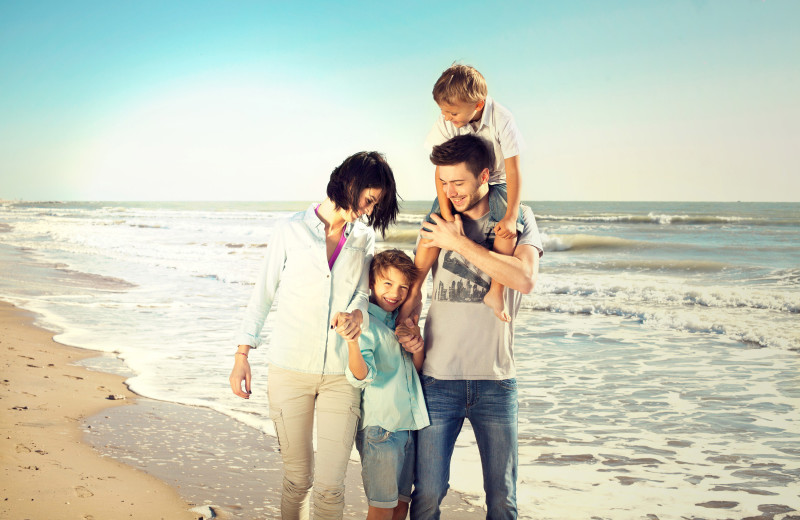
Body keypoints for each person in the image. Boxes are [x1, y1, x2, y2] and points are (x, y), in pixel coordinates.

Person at [229, 151, 399, 520]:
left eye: (375, 205)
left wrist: (356, 314)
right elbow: (263, 293)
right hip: (289, 372)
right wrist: (242, 355)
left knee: (330, 488)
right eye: (369, 200)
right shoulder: (290, 230)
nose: (369, 211)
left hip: (342, 376)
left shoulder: (364, 237)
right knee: (297, 480)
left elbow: (360, 293)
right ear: (349, 183)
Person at [404, 135, 543, 520]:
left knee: (503, 500)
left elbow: (525, 278)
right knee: (428, 495)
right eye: (443, 183)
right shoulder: (438, 221)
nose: (450, 192)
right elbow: (414, 286)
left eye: (459, 183)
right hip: (437, 380)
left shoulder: (516, 219)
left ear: (484, 175)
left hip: (496, 381)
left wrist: (459, 243)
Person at [399, 63, 526, 324]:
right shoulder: (447, 121)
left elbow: (513, 171)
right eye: (443, 111)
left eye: (452, 112)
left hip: (498, 180)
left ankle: (496, 291)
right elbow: (440, 171)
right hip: (459, 180)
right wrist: (448, 216)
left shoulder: (502, 120)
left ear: (478, 105)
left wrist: (511, 216)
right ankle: (415, 290)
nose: (447, 117)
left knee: (505, 228)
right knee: (433, 225)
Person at [337, 249, 429, 520]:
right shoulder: (366, 323)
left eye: (403, 286)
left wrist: (418, 345)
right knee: (382, 508)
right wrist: (352, 343)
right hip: (381, 429)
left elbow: (415, 370)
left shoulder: (402, 321)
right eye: (387, 283)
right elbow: (360, 376)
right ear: (371, 284)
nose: (395, 292)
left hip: (409, 427)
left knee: (401, 506)